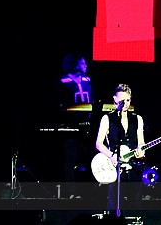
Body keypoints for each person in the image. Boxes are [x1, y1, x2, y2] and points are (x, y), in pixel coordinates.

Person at [94, 83, 146, 212]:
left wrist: (141, 151)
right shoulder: (107, 118)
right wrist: (111, 156)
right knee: (115, 203)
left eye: (128, 100)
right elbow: (99, 143)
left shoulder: (138, 119)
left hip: (133, 166)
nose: (125, 104)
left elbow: (141, 143)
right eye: (122, 101)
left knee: (136, 204)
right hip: (115, 167)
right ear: (115, 99)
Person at [58, 53, 93, 197]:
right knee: (70, 157)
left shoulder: (87, 80)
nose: (86, 66)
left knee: (87, 157)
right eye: (83, 63)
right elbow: (61, 105)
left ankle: (87, 190)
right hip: (71, 126)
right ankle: (70, 191)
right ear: (75, 64)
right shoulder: (64, 82)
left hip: (87, 126)